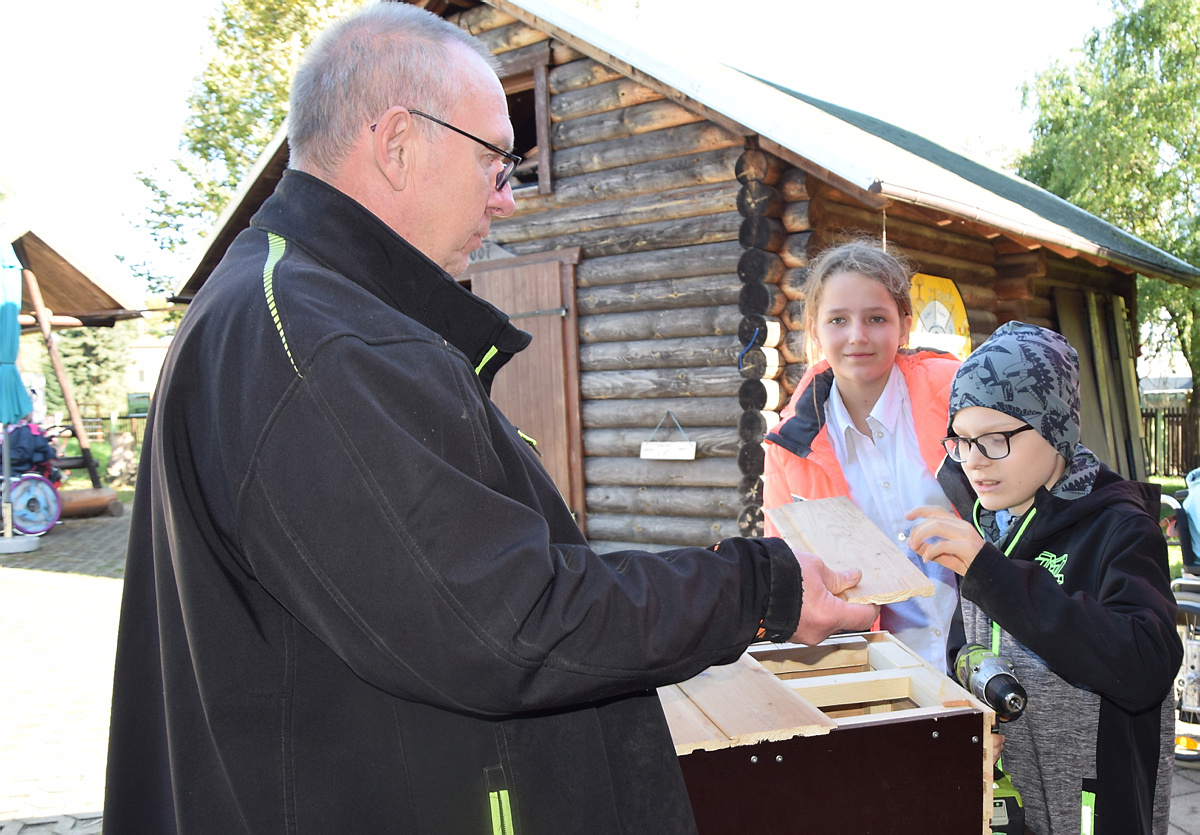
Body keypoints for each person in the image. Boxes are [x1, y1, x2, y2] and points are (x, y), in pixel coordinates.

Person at [102, 4, 876, 834]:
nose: (506, 200)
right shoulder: (318, 342)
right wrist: (759, 586)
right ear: (398, 143)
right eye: (494, 163)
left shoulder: (300, 309)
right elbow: (508, 622)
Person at [907, 321, 1180, 835]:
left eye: (995, 439)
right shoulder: (988, 522)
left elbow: (1146, 664)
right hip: (1004, 808)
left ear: (1056, 429)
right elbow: (967, 652)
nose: (974, 463)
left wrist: (993, 574)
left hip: (1090, 815)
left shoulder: (1121, 529)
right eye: (961, 441)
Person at [762, 240, 962, 671]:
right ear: (815, 331)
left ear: (904, 327)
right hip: (880, 674)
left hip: (991, 658)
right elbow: (789, 576)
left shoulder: (960, 395)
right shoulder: (788, 451)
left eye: (876, 318)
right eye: (838, 320)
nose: (857, 336)